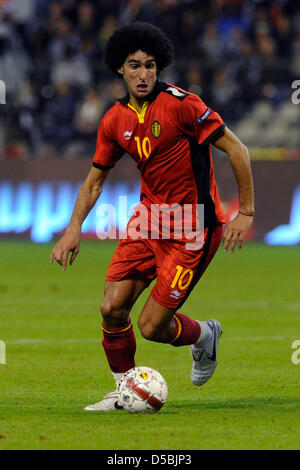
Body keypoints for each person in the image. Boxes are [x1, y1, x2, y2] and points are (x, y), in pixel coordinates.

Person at [50, 22, 254, 411]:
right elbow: (95, 181)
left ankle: (204, 336)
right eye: (134, 65)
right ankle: (123, 390)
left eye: (149, 65)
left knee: (152, 327)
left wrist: (245, 211)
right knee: (111, 307)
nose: (143, 74)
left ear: (159, 68)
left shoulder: (183, 105)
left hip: (192, 228)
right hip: (147, 222)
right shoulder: (114, 120)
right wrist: (72, 228)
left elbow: (238, 149)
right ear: (119, 69)